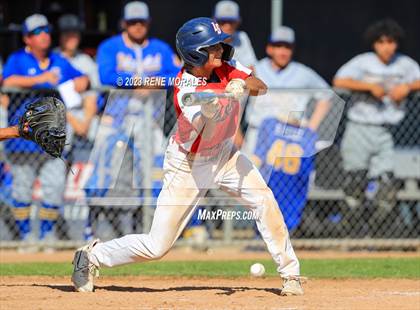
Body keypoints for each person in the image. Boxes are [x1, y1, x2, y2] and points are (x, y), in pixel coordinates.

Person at [71, 17, 304, 296]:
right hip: (188, 165)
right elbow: (202, 126)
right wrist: (215, 104)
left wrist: (242, 86)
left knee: (264, 198)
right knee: (157, 246)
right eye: (212, 47)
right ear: (195, 52)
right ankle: (91, 256)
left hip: (226, 155)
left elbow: (260, 85)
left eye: (218, 45)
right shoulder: (185, 88)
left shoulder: (227, 67)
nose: (219, 50)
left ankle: (290, 274)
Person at [83, 1, 180, 240]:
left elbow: (177, 76)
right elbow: (106, 75)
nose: (137, 26)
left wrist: (151, 82)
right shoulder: (111, 46)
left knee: (156, 175)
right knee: (104, 175)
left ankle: (154, 231)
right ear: (124, 24)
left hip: (151, 123)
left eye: (142, 22)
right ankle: (90, 228)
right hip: (115, 120)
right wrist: (137, 82)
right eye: (132, 22)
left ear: (148, 23)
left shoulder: (160, 48)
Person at [2, 14, 89, 241]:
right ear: (27, 39)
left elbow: (84, 79)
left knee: (54, 186)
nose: (44, 36)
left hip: (51, 138)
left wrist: (82, 82)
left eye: (46, 31)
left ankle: (47, 235)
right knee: (21, 189)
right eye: (37, 32)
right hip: (22, 138)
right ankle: (26, 237)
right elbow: (8, 82)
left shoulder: (58, 60)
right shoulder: (18, 59)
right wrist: (42, 79)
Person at [333, 19, 420, 236]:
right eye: (381, 42)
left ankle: (378, 234)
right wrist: (369, 86)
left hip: (386, 132)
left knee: (387, 185)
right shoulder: (363, 62)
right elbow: (339, 81)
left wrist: (407, 87)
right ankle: (351, 234)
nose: (386, 47)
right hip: (359, 127)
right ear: (374, 44)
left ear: (396, 44)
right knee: (355, 182)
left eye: (391, 42)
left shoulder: (405, 64)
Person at [246, 26, 330, 232]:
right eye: (278, 46)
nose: (282, 51)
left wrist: (311, 127)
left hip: (290, 139)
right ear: (269, 48)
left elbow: (326, 96)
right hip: (258, 135)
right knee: (254, 186)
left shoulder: (303, 73)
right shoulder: (254, 69)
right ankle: (258, 232)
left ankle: (283, 232)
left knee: (285, 189)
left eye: (287, 47)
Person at [213, 0, 257, 69]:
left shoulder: (242, 37)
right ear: (214, 22)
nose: (228, 26)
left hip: (239, 78)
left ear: (238, 22)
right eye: (222, 21)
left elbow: (251, 69)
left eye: (231, 21)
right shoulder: (208, 39)